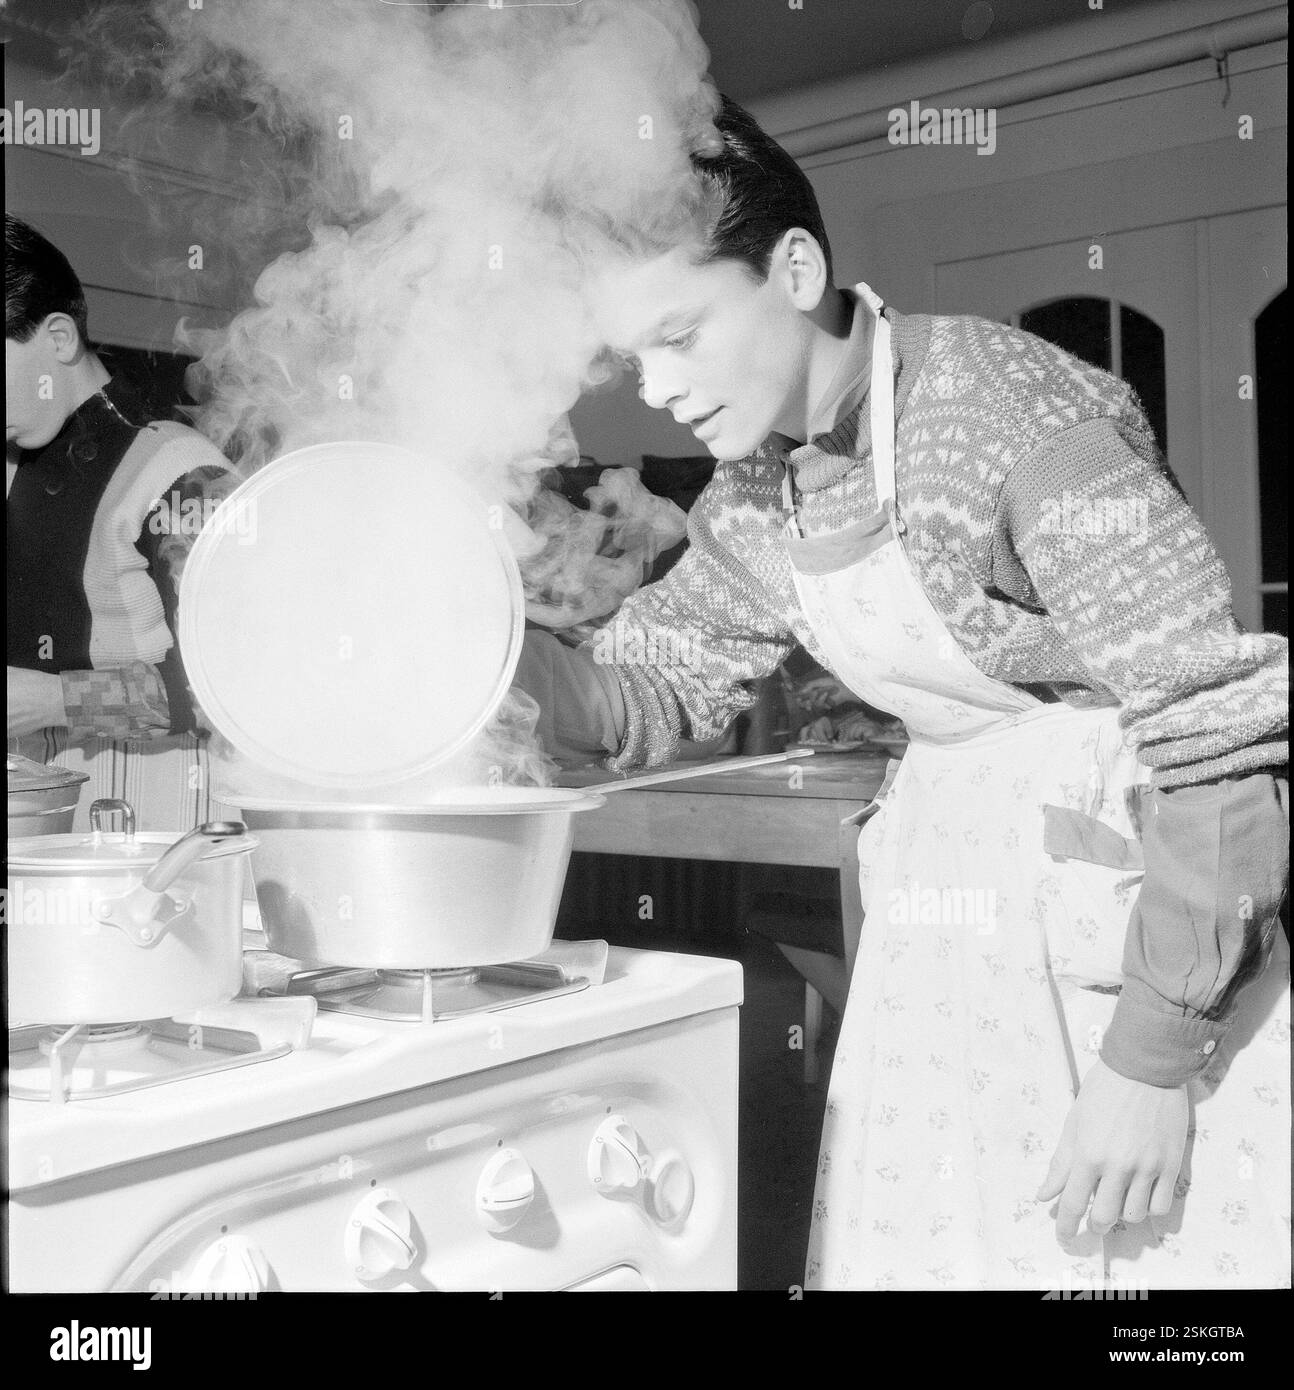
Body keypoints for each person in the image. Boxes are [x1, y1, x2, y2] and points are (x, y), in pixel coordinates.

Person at [515, 96, 1290, 1290]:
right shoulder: (758, 498)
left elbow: (1215, 744)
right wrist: (476, 662)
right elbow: (643, 688)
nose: (657, 390)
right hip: (945, 931)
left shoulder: (1023, 421)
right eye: (636, 356)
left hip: (1132, 927)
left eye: (680, 335)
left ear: (793, 267)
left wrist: (1148, 1062)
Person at [6, 214, 237, 830]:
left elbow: (233, 682)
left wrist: (52, 700)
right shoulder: (17, 463)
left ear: (57, 337)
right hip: (43, 817)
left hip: (162, 818)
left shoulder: (180, 467)